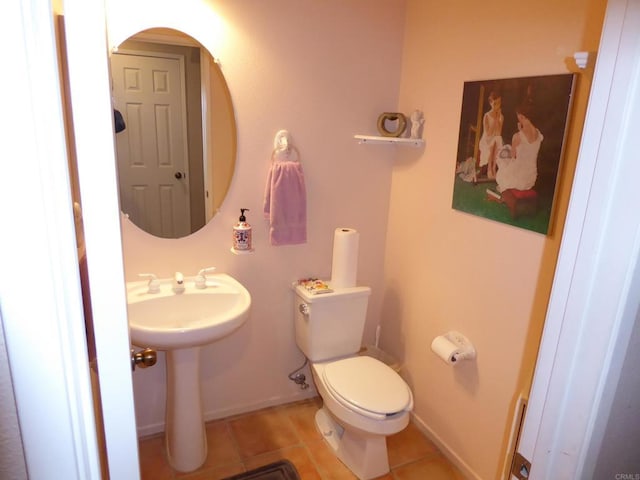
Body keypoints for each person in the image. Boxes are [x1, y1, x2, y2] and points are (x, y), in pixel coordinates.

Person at [495, 101, 543, 193]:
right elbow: (528, 146)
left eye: (518, 117)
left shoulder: (517, 136)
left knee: (503, 155)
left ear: (522, 116)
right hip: (531, 179)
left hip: (519, 179)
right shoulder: (538, 133)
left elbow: (513, 155)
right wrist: (521, 130)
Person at [478, 91, 504, 179]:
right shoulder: (487, 116)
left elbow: (499, 132)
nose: (497, 106)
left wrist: (498, 118)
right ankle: (489, 169)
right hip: (486, 140)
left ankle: (493, 168)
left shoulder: (501, 116)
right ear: (490, 103)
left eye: (499, 103)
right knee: (494, 140)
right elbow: (488, 133)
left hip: (495, 140)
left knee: (497, 139)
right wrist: (496, 119)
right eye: (495, 103)